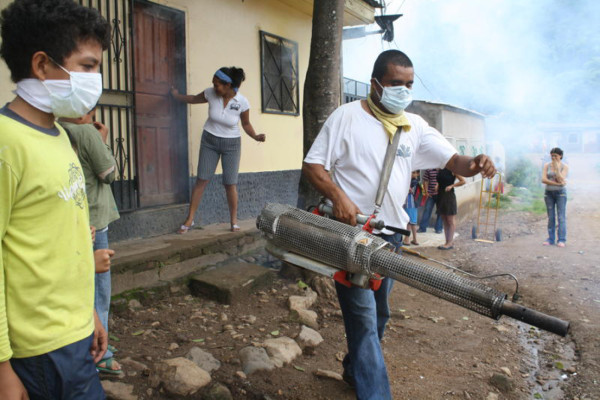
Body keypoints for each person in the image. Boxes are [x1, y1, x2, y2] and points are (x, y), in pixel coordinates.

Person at [303, 49, 495, 400]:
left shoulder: (413, 125)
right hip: (353, 235)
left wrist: (477, 163)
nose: (403, 91)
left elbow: (454, 160)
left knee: (379, 315)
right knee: (362, 319)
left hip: (391, 236)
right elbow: (314, 165)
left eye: (408, 84)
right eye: (395, 84)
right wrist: (339, 197)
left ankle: (353, 368)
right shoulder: (345, 117)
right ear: (376, 84)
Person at [0, 1, 110, 398]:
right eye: (87, 66)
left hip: (75, 334)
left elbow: (66, 240)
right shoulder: (7, 143)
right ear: (42, 65)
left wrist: (90, 314)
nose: (96, 79)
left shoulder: (60, 135)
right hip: (38, 350)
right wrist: (2, 369)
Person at [59, 108, 122, 374]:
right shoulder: (87, 132)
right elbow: (109, 174)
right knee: (98, 291)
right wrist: (103, 139)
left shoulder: (56, 129)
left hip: (73, 217)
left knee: (80, 287)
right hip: (94, 218)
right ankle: (100, 353)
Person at [171, 67, 266, 233]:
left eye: (217, 85)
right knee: (202, 180)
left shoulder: (242, 102)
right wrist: (176, 96)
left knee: (230, 183)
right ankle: (190, 219)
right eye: (214, 84)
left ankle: (234, 221)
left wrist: (256, 136)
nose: (214, 87)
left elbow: (245, 124)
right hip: (209, 141)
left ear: (228, 85)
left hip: (231, 145)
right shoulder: (210, 93)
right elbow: (193, 98)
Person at [541, 147, 568, 247]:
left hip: (561, 194)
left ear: (560, 156)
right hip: (549, 194)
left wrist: (557, 168)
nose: (553, 157)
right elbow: (543, 179)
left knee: (561, 217)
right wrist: (557, 184)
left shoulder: (564, 166)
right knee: (551, 217)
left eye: (555, 156)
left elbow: (561, 178)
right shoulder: (546, 165)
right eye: (552, 155)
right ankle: (550, 239)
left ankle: (561, 239)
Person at [436, 168, 466, 250]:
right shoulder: (440, 169)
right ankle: (447, 242)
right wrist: (437, 186)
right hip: (440, 195)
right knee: (445, 220)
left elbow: (463, 181)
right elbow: (439, 181)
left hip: (449, 196)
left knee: (450, 220)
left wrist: (452, 186)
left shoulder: (453, 170)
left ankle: (450, 242)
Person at [418, 168, 444, 233]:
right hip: (431, 195)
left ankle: (438, 228)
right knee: (427, 210)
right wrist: (426, 191)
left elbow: (446, 179)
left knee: (440, 212)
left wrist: (438, 184)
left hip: (441, 194)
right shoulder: (429, 169)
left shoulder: (443, 169)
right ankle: (422, 228)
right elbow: (425, 180)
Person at [402, 170, 420, 246]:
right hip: (414, 204)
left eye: (413, 172)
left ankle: (407, 239)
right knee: (413, 222)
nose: (411, 174)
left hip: (410, 203)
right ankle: (415, 239)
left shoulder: (414, 182)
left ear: (418, 174)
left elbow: (409, 191)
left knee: (409, 222)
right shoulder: (416, 182)